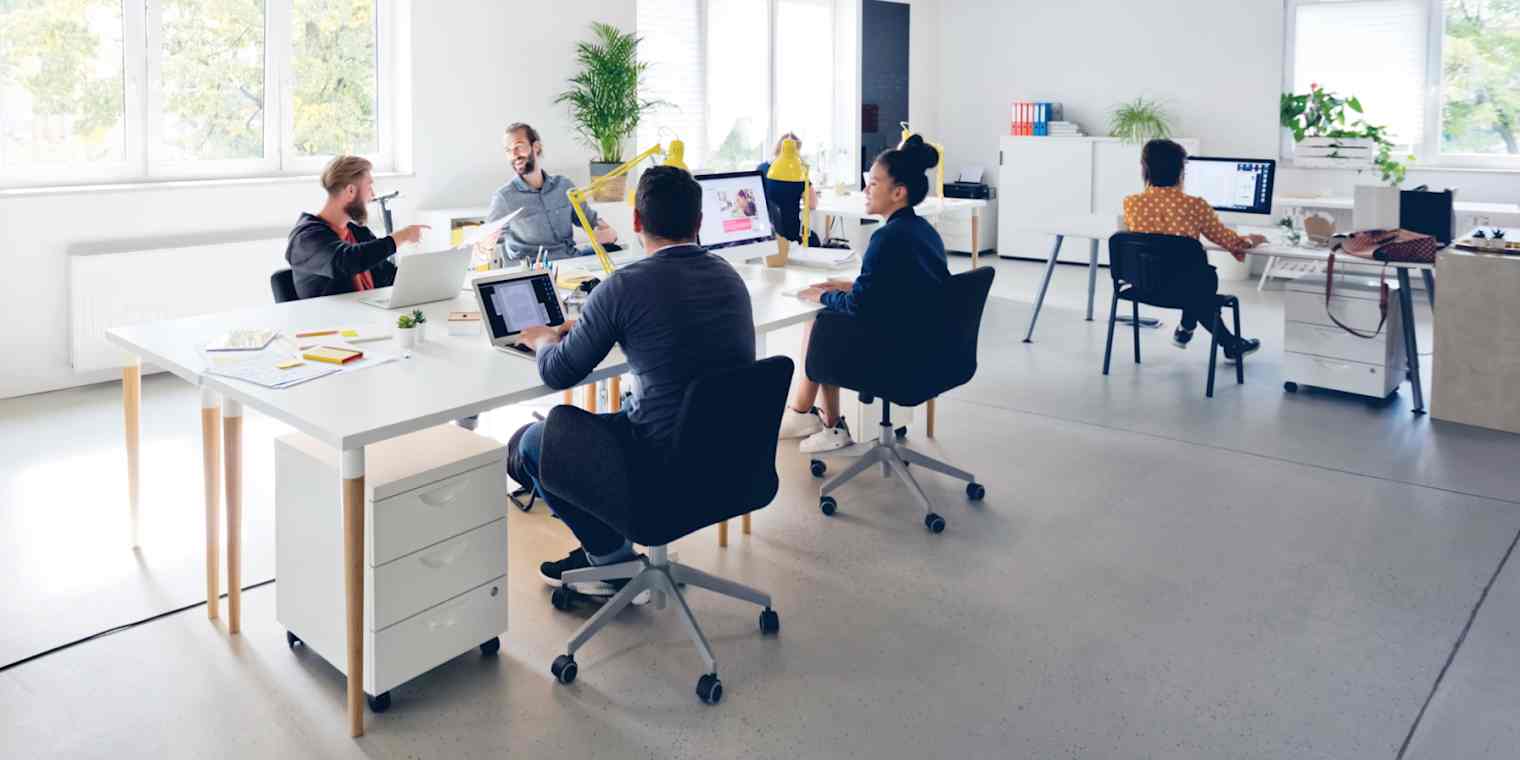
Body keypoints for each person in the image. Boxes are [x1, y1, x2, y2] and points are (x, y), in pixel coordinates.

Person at [512, 165, 755, 599]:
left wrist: (547, 339)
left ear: (638, 222)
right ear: (699, 223)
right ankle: (611, 555)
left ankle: (610, 563)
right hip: (730, 457)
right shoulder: (729, 277)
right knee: (610, 418)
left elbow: (557, 373)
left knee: (534, 440)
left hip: (661, 465)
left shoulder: (624, 287)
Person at [779, 135, 950, 453]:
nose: (865, 191)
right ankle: (804, 414)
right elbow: (904, 287)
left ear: (898, 192)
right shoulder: (923, 232)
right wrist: (848, 285)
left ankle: (825, 424)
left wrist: (825, 296)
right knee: (828, 311)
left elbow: (860, 307)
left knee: (823, 320)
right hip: (931, 349)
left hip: (897, 356)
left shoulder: (886, 238)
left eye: (873, 183)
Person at [1121, 138, 1263, 360]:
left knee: (1193, 280)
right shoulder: (1195, 205)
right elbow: (1228, 241)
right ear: (1181, 171)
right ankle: (1221, 341)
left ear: (1145, 169)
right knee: (1199, 284)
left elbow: (1144, 239)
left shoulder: (1131, 203)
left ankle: (1191, 331)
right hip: (1187, 288)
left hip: (1144, 284)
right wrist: (1253, 239)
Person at [285, 155, 428, 299]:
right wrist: (401, 236)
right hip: (333, 320)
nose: (372, 195)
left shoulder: (358, 233)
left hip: (370, 317)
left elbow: (388, 275)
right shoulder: (305, 238)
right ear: (351, 191)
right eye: (369, 186)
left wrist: (427, 278)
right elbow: (345, 262)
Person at [477, 122, 618, 265]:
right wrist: (485, 247)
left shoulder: (564, 186)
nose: (514, 154)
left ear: (536, 147)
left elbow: (593, 222)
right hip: (534, 271)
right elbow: (484, 248)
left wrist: (608, 233)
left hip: (572, 263)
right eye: (508, 150)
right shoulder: (504, 198)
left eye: (519, 146)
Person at [758, 132, 821, 246]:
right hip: (792, 234)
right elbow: (812, 204)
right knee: (814, 239)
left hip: (767, 233)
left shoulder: (762, 169)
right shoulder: (798, 171)